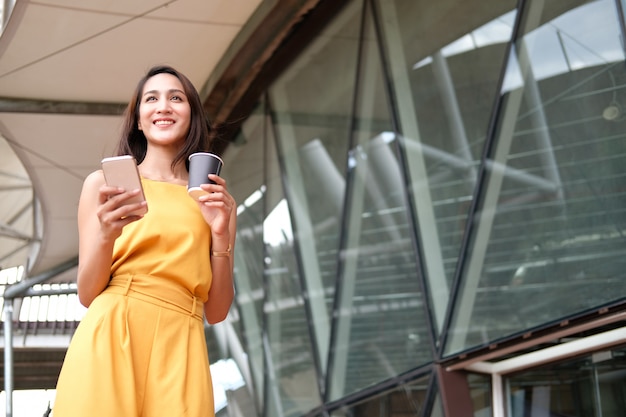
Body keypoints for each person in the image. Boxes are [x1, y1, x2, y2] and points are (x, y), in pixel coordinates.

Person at [53, 65, 236, 417]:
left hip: (182, 344)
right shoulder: (103, 185)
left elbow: (217, 310)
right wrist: (106, 235)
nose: (163, 106)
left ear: (192, 115)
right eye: (151, 98)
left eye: (176, 98)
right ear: (139, 119)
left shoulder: (214, 201)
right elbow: (88, 293)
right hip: (112, 331)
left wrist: (220, 236)